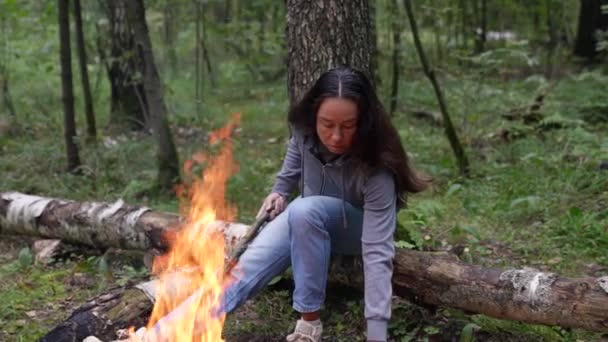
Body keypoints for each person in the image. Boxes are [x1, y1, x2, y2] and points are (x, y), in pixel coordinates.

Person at [148, 66, 428, 342]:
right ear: (314, 117)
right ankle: (157, 337)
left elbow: (378, 251)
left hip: (356, 230)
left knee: (304, 209)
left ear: (364, 121)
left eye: (348, 126)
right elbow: (292, 165)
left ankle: (309, 327)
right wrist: (280, 191)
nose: (336, 137)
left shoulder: (378, 167)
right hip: (306, 220)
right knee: (241, 272)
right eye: (327, 125)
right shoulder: (303, 131)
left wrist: (377, 333)